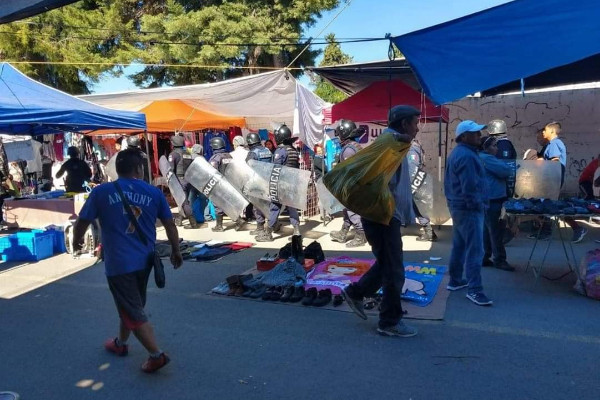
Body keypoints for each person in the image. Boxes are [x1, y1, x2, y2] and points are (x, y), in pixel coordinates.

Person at [72, 148, 183, 374]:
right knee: (132, 304)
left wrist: (77, 241)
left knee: (132, 308)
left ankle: (156, 355)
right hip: (145, 261)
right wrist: (176, 250)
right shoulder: (153, 192)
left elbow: (83, 220)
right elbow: (170, 224)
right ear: (138, 169)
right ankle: (121, 344)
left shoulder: (101, 192)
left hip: (119, 263)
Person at [341, 105, 420, 337]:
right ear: (404, 124)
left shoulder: (393, 143)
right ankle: (389, 321)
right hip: (382, 217)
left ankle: (356, 293)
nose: (417, 128)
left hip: (384, 216)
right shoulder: (390, 145)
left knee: (387, 263)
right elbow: (375, 183)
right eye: (415, 123)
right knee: (394, 270)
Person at [445, 120, 493, 306]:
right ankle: (475, 290)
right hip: (468, 208)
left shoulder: (461, 153)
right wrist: (478, 206)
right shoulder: (467, 156)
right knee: (475, 249)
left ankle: (455, 280)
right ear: (464, 136)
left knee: (460, 245)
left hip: (459, 207)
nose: (479, 136)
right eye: (475, 133)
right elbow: (470, 187)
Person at [534, 122, 587, 243]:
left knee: (555, 206)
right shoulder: (551, 144)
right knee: (550, 206)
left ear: (552, 131)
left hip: (553, 181)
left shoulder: (554, 144)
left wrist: (541, 162)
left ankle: (577, 228)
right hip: (552, 180)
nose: (543, 132)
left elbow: (554, 162)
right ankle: (545, 231)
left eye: (545, 130)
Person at [256, 124, 301, 242]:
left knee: (275, 206)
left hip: (281, 183)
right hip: (292, 182)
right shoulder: (293, 150)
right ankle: (297, 232)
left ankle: (268, 233)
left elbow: (275, 168)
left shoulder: (280, 151)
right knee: (292, 207)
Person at [330, 119, 367, 247]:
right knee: (346, 210)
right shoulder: (353, 146)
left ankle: (361, 235)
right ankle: (343, 232)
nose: (338, 137)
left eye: (339, 134)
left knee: (352, 210)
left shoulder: (348, 150)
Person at [479, 136, 515, 271]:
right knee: (496, 231)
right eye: (494, 145)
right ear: (486, 148)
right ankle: (499, 259)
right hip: (493, 198)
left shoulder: (481, 158)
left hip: (486, 197)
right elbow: (506, 171)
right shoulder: (487, 159)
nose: (497, 148)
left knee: (487, 230)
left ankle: (484, 256)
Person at [407, 139, 438, 242]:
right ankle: (429, 231)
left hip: (413, 183)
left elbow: (412, 168)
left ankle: (429, 232)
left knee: (417, 206)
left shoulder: (411, 149)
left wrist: (412, 187)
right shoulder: (414, 147)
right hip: (415, 182)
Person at [167, 135, 200, 229]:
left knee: (184, 202)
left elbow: (171, 169)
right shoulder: (188, 153)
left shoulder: (173, 154)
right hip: (189, 179)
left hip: (180, 180)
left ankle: (193, 223)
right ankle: (179, 220)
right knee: (184, 200)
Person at [246, 133, 273, 236]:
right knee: (268, 204)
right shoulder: (267, 150)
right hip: (268, 181)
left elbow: (248, 166)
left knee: (257, 205)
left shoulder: (253, 153)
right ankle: (272, 224)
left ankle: (260, 227)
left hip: (257, 181)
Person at [208, 136, 233, 232]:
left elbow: (212, 172)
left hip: (219, 184)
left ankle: (219, 226)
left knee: (218, 204)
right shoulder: (229, 156)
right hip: (230, 183)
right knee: (229, 203)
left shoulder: (215, 158)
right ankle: (239, 221)